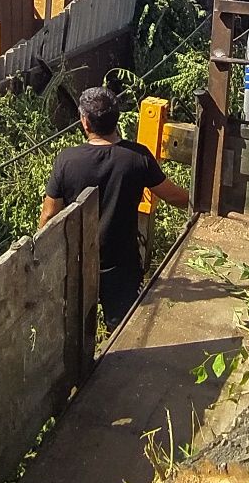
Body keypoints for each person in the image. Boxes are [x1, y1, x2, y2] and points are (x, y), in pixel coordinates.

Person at [38, 86, 190, 325]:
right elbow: (175, 198)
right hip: (121, 263)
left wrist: (42, 256)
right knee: (120, 327)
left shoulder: (67, 160)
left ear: (85, 122)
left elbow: (48, 215)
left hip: (77, 263)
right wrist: (202, 202)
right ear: (116, 119)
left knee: (77, 328)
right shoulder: (137, 157)